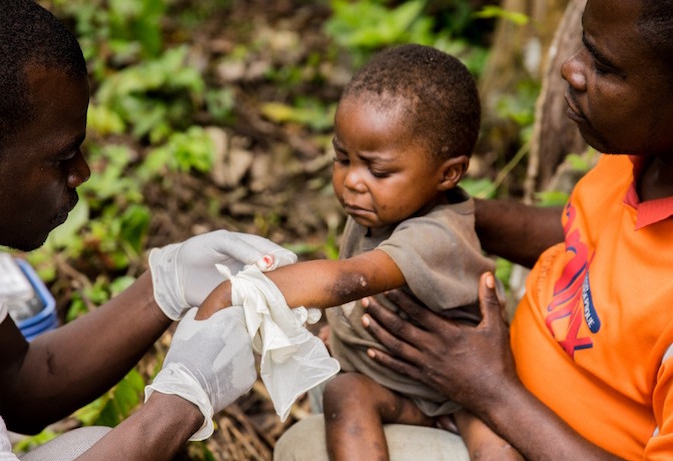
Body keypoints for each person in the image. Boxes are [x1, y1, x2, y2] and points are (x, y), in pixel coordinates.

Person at [0, 1, 297, 460]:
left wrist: (165, 284)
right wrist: (179, 405)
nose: (82, 172)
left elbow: (19, 383)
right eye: (61, 157)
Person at [277, 0, 673, 459]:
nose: (570, 69)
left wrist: (491, 390)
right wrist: (437, 218)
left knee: (307, 446)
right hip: (481, 397)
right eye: (584, 45)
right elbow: (582, 232)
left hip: (513, 420)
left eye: (604, 66)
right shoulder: (641, 160)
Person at [199, 44, 520, 460]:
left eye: (378, 170)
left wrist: (238, 293)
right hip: (391, 385)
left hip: (459, 395)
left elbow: (352, 278)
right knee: (345, 391)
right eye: (342, 158)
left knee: (499, 445)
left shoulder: (436, 234)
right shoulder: (377, 208)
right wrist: (345, 332)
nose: (352, 181)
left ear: (449, 174)